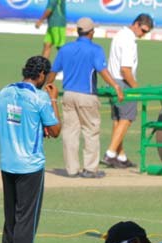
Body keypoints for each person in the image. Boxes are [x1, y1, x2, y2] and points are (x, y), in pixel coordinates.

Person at [0, 56, 61, 243]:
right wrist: (54, 99)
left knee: (11, 218)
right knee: (26, 221)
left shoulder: (3, 93)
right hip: (30, 166)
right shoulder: (40, 97)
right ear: (41, 75)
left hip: (8, 163)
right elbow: (55, 130)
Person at [46, 17, 123, 179]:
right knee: (90, 131)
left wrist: (48, 85)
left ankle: (72, 169)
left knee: (70, 132)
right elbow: (102, 70)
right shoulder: (95, 50)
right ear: (91, 32)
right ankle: (90, 169)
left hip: (68, 95)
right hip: (87, 95)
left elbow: (53, 71)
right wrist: (115, 86)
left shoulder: (66, 49)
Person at [103, 14, 154, 169]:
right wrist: (136, 88)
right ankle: (110, 153)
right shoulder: (129, 40)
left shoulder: (119, 34)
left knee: (118, 119)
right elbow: (125, 70)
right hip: (123, 82)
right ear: (137, 24)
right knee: (127, 119)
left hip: (112, 81)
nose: (143, 35)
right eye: (143, 30)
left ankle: (121, 156)